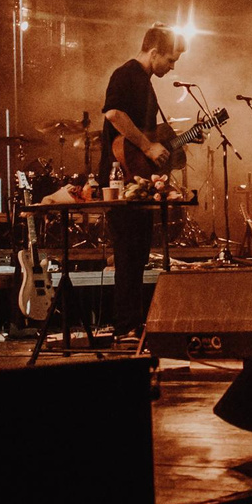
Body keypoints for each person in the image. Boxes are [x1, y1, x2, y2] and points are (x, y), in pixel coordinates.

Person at [100, 25, 185, 340]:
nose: (173, 66)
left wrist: (170, 143)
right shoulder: (125, 75)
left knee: (137, 254)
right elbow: (113, 114)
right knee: (127, 253)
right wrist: (149, 147)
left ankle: (133, 324)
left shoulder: (146, 83)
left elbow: (149, 136)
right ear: (154, 52)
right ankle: (125, 327)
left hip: (141, 181)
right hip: (119, 179)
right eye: (171, 60)